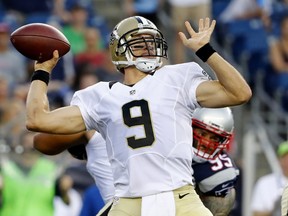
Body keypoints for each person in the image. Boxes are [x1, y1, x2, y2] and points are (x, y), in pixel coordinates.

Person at [26, 15, 251, 216]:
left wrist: (206, 51)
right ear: (119, 51)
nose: (149, 48)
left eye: (151, 42)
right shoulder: (100, 96)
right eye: (139, 43)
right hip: (128, 201)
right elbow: (37, 120)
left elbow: (240, 93)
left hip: (179, 195)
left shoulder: (176, 78)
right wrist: (42, 71)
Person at [33, 107, 239, 216]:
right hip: (125, 205)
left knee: (224, 194)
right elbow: (42, 142)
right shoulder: (100, 129)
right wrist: (80, 131)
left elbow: (41, 142)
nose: (206, 143)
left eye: (214, 138)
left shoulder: (215, 168)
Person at [0, 129, 80, 216]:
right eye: (26, 144)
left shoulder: (51, 169)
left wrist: (65, 191)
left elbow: (66, 202)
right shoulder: (7, 168)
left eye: (32, 147)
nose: (29, 150)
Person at [251, 141, 288, 216]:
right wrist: (275, 210)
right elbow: (256, 213)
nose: (287, 161)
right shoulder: (264, 183)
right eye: (284, 157)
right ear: (279, 160)